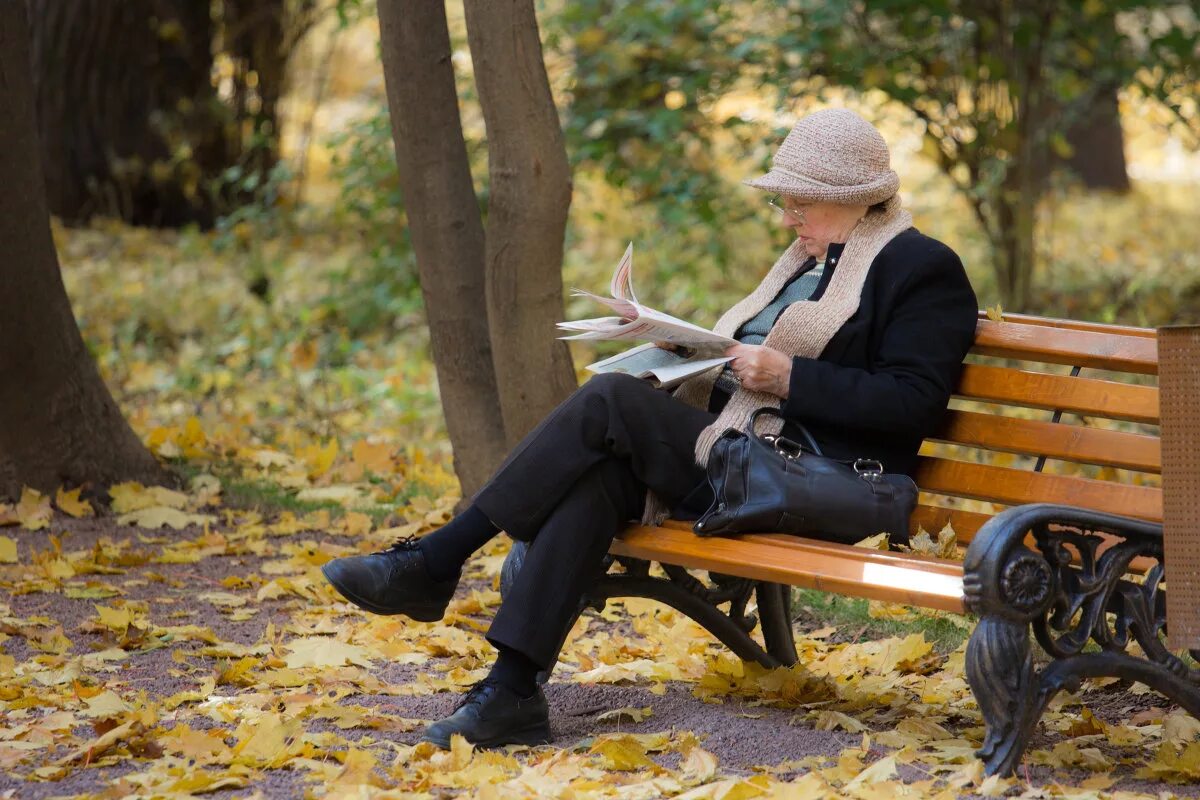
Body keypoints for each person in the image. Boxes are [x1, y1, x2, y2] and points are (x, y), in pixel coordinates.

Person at [320, 108, 979, 749]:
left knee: (608, 401)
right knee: (601, 476)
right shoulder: (810, 260)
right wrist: (674, 346)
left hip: (816, 479)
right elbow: (741, 361)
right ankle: (512, 690)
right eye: (784, 203)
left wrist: (788, 378)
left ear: (856, 199)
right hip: (739, 458)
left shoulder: (920, 268)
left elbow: (912, 403)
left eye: (800, 204)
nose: (788, 219)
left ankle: (437, 561)